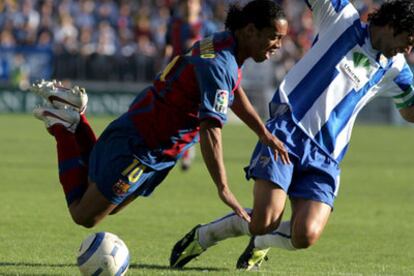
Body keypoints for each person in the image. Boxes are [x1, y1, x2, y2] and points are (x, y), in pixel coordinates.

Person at [170, 0, 414, 271]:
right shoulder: (341, 17)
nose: (408, 49)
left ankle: (260, 244)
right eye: (408, 40)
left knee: (306, 234)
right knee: (264, 220)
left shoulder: (397, 68)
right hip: (287, 132)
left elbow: (410, 110)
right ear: (393, 26)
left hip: (326, 157)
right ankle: (205, 236)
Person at [30, 0, 290, 228]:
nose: (278, 45)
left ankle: (75, 122)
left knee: (112, 204)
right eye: (273, 36)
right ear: (250, 30)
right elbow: (211, 130)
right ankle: (65, 128)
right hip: (143, 144)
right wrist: (223, 188)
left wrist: (263, 133)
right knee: (84, 215)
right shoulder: (221, 64)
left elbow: (231, 89)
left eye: (281, 38)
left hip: (157, 144)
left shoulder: (224, 45)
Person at [164, 0, 218, 171]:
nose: (189, 6)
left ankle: (187, 149)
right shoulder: (174, 25)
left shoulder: (206, 27)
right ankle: (182, 148)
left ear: (198, 6)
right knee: (173, 113)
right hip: (176, 74)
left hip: (196, 77)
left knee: (193, 115)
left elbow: (209, 55)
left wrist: (197, 48)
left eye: (192, 3)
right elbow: (168, 46)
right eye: (186, 3)